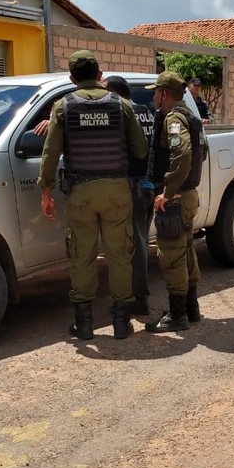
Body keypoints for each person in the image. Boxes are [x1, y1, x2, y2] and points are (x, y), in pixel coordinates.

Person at [37, 50, 149, 340]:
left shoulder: (63, 107)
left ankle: (84, 325)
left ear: (72, 78)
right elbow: (140, 149)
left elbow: (50, 154)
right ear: (100, 75)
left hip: (81, 192)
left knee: (81, 256)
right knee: (120, 255)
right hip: (116, 191)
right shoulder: (121, 104)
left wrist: (46, 192)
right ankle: (121, 324)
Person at [144, 70, 207, 333]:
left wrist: (168, 191)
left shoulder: (174, 119)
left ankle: (178, 316)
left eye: (155, 92)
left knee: (171, 255)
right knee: (185, 252)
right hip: (188, 195)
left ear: (164, 94)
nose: (153, 98)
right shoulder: (190, 116)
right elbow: (199, 154)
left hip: (175, 199)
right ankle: (191, 310)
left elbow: (181, 154)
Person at [102, 75, 157, 317]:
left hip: (130, 186)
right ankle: (137, 296)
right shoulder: (145, 110)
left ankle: (139, 300)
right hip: (148, 185)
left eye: (105, 92)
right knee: (140, 242)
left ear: (114, 94)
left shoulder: (121, 114)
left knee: (130, 246)